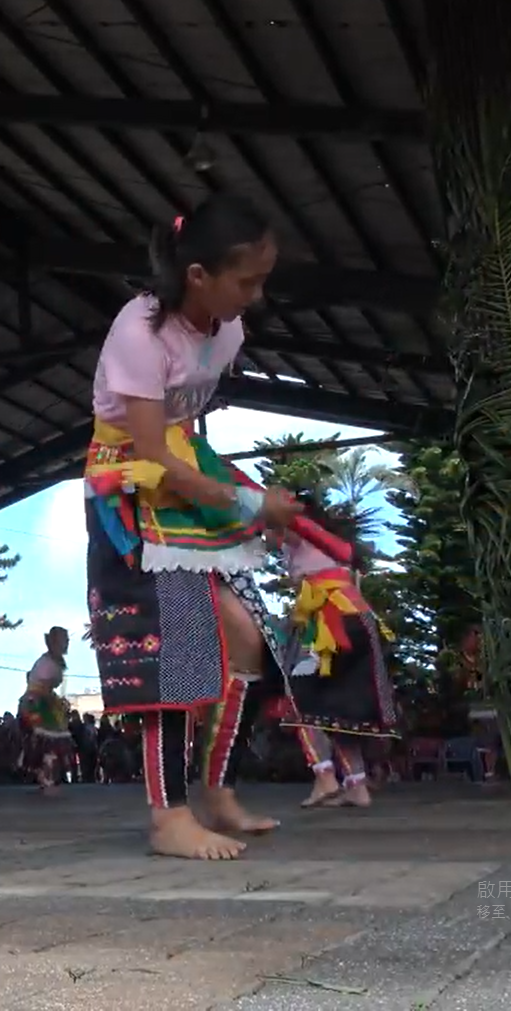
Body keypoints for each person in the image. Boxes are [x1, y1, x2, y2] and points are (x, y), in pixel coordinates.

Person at [83, 196, 302, 861]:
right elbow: (150, 455)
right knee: (175, 656)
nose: (257, 296)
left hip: (184, 475)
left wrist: (237, 495)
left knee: (245, 645)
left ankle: (218, 791)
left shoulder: (226, 330)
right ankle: (168, 816)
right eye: (248, 281)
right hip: (132, 487)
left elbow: (185, 432)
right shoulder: (139, 333)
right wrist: (246, 505)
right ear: (200, 275)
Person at [274, 499, 398, 809]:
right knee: (339, 709)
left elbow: (281, 528)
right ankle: (357, 785)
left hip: (329, 621)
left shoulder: (302, 532)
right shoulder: (330, 541)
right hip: (359, 618)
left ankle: (325, 775)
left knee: (300, 698)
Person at [19, 627, 74, 795]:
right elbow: (37, 685)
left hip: (42, 701)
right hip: (37, 703)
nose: (67, 643)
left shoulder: (52, 661)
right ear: (55, 642)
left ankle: (46, 778)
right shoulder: (47, 662)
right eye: (65, 640)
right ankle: (46, 779)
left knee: (50, 743)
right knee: (49, 742)